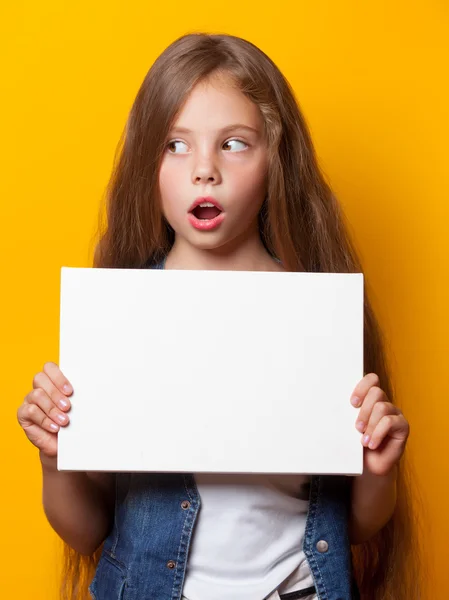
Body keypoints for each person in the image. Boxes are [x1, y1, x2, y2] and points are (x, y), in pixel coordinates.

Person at [17, 33, 417, 600]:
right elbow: (85, 534)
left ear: (276, 155)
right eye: (175, 146)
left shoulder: (315, 318)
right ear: (146, 163)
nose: (205, 170)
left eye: (233, 143)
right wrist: (54, 459)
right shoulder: (121, 319)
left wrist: (379, 467)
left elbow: (353, 525)